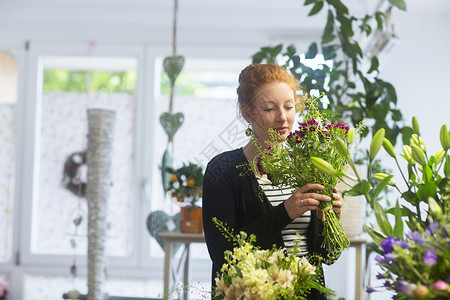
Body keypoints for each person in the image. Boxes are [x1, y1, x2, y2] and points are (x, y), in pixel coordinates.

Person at [202, 63, 343, 299]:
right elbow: (222, 253)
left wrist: (328, 220)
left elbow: (327, 256)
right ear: (247, 112)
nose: (283, 118)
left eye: (289, 107)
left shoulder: (309, 165)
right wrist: (285, 212)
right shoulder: (222, 169)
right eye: (269, 109)